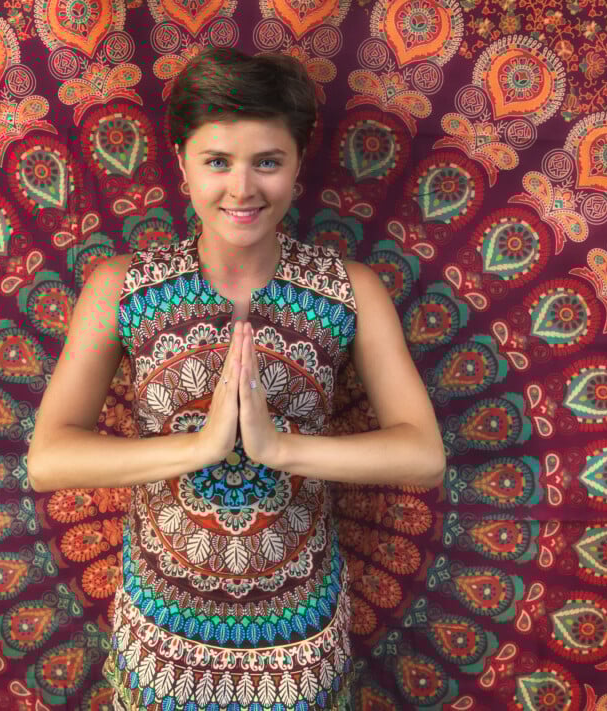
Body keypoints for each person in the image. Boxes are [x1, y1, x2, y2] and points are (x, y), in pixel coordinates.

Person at [28, 46, 445, 711]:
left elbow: (423, 454)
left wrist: (279, 447)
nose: (242, 189)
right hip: (162, 633)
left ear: (298, 165)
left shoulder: (351, 291)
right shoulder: (121, 288)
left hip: (299, 637)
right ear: (182, 162)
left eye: (267, 162)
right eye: (217, 162)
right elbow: (48, 457)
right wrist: (198, 447)